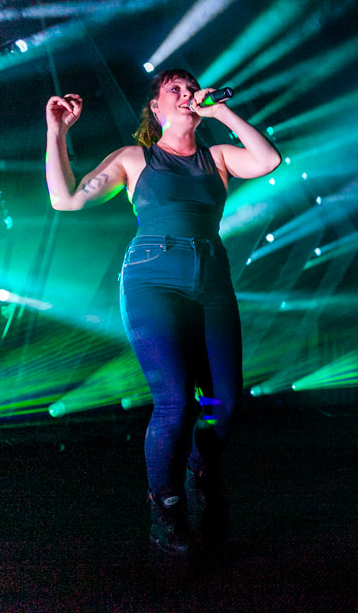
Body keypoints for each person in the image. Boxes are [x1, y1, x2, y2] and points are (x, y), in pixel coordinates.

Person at [44, 69, 280, 556]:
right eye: (173, 88)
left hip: (211, 284)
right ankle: (166, 510)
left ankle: (202, 474)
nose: (185, 92)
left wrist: (221, 110)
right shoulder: (136, 158)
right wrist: (58, 132)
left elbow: (268, 159)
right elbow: (65, 200)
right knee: (176, 402)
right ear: (156, 108)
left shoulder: (217, 158)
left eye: (189, 86)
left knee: (224, 405)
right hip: (153, 280)